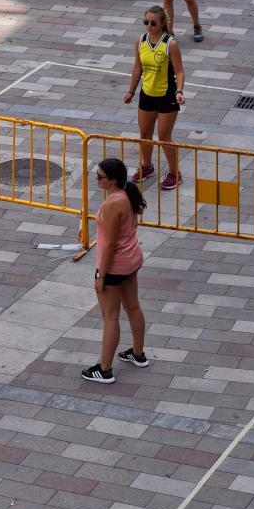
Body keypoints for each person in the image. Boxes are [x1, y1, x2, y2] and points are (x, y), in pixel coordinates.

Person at [82, 159, 148, 384]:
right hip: (131, 259)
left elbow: (109, 245)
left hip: (114, 266)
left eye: (100, 176)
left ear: (113, 179)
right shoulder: (127, 194)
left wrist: (101, 275)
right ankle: (138, 354)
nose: (96, 178)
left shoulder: (112, 204)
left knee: (110, 317)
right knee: (134, 307)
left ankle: (105, 368)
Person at [124, 5, 186, 190]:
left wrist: (179, 91)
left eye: (153, 23)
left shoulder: (170, 44)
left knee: (164, 136)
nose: (149, 26)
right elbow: (137, 68)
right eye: (146, 22)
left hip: (167, 95)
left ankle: (175, 173)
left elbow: (180, 71)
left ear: (163, 23)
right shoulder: (140, 41)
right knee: (144, 135)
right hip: (147, 94)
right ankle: (147, 166)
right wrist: (131, 91)